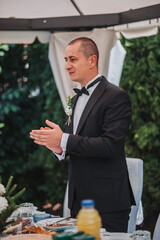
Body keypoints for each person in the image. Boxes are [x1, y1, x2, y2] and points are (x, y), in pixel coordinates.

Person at [30, 37, 135, 232]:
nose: (67, 66)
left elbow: (111, 145)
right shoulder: (76, 98)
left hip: (108, 203)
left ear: (92, 60)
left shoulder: (116, 96)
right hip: (79, 201)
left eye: (73, 59)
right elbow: (74, 142)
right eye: (65, 60)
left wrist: (63, 139)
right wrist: (58, 147)